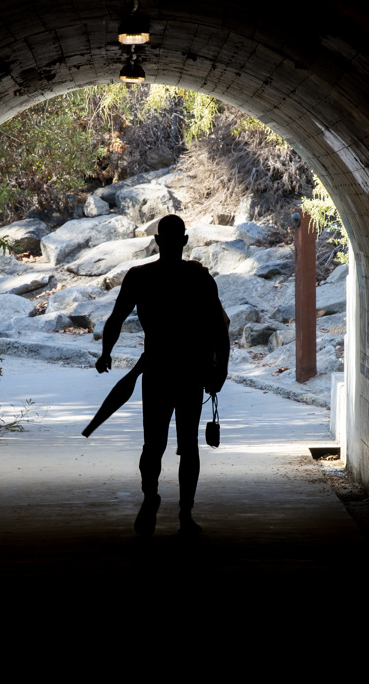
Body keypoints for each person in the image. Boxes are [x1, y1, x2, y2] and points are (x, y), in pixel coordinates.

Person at [96, 214, 229, 536]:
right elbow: (219, 329)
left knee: (153, 443)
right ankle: (185, 515)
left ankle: (150, 496)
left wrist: (106, 353)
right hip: (190, 372)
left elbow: (115, 319)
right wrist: (220, 369)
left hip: (155, 370)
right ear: (184, 241)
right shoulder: (199, 278)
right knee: (189, 446)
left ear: (157, 241)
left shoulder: (140, 277)